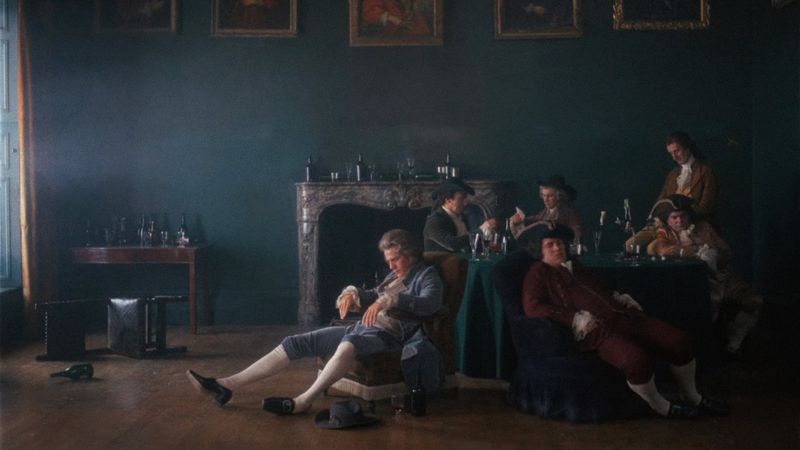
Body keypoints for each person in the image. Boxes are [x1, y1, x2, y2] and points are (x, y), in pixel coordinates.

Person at [187, 229, 443, 414]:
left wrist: (390, 300)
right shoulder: (393, 276)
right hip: (363, 328)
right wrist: (353, 293)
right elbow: (373, 295)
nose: (392, 265)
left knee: (349, 344)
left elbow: (430, 304)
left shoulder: (426, 276)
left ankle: (303, 401)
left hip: (389, 337)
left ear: (410, 254)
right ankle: (226, 385)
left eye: (395, 259)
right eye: (388, 261)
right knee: (296, 342)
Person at [521, 221, 729, 419]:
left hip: (625, 316)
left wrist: (619, 297)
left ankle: (692, 396)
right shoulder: (538, 272)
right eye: (550, 245)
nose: (557, 248)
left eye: (559, 243)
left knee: (679, 341)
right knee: (636, 361)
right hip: (596, 331)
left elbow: (599, 290)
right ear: (540, 250)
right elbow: (533, 307)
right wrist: (574, 318)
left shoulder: (576, 265)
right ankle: (662, 407)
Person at [647, 195, 762, 356]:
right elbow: (659, 248)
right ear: (668, 219)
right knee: (703, 312)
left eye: (682, 216)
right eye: (674, 217)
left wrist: (714, 255)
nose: (679, 221)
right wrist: (693, 251)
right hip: (693, 282)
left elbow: (727, 252)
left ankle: (735, 338)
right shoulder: (664, 232)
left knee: (754, 301)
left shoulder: (704, 227)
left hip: (722, 277)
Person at [658, 131, 719, 224]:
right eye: (671, 153)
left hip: (696, 223)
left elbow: (706, 207)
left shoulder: (705, 171)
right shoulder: (673, 174)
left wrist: (683, 218)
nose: (674, 157)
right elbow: (661, 201)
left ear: (687, 148)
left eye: (677, 151)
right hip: (672, 224)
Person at [423, 178, 497, 253]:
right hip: (443, 260)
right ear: (448, 200)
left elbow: (467, 244)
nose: (466, 203)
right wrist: (481, 231)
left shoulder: (462, 217)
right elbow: (452, 244)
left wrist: (487, 246)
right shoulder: (434, 220)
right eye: (462, 198)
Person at [510, 175, 583, 245]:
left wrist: (576, 244)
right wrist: (521, 220)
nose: (546, 199)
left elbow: (577, 232)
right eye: (544, 195)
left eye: (550, 196)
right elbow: (535, 219)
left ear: (559, 196)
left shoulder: (568, 212)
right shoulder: (545, 212)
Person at [361, 0, 433, 36]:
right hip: (393, 30)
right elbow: (370, 12)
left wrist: (413, 7)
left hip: (417, 24)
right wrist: (395, 20)